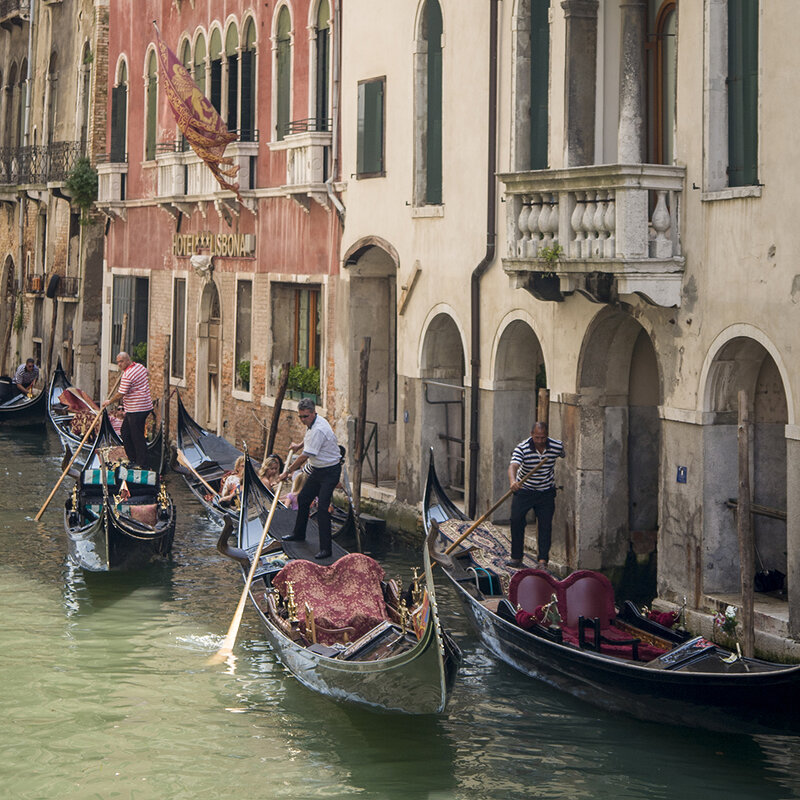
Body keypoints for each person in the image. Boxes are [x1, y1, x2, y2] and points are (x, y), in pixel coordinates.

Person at [278, 398, 342, 560]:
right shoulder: (314, 423)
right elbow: (308, 442)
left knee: (322, 509)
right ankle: (299, 534)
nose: (303, 420)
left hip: (330, 472)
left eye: (305, 417)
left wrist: (287, 472)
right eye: (300, 417)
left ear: (313, 413)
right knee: (304, 499)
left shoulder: (319, 429)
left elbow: (304, 457)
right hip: (318, 470)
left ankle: (326, 549)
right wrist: (298, 446)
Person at [507, 420, 565, 570]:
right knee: (516, 520)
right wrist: (513, 481)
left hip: (546, 492)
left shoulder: (556, 446)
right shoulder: (523, 448)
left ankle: (542, 561)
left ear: (547, 436)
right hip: (524, 490)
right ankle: (516, 557)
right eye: (537, 437)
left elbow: (563, 452)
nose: (540, 441)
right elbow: (513, 466)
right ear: (531, 435)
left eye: (543, 438)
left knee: (545, 525)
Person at [102, 352, 153, 467]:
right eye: (118, 362)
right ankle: (134, 459)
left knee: (137, 436)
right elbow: (148, 373)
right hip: (143, 407)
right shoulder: (139, 366)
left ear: (127, 360)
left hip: (137, 409)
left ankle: (142, 463)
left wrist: (109, 402)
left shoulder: (127, 375)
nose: (119, 364)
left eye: (121, 361)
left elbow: (121, 394)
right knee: (125, 433)